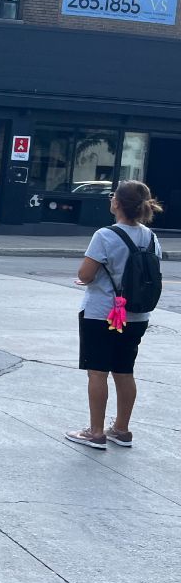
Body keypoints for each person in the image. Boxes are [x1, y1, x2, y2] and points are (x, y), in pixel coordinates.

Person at [67, 180, 163, 450]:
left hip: (102, 313)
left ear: (117, 203)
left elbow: (85, 274)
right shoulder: (151, 237)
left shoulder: (105, 235)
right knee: (124, 371)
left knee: (97, 372)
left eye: (112, 196)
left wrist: (90, 279)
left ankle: (95, 432)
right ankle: (121, 429)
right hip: (136, 315)